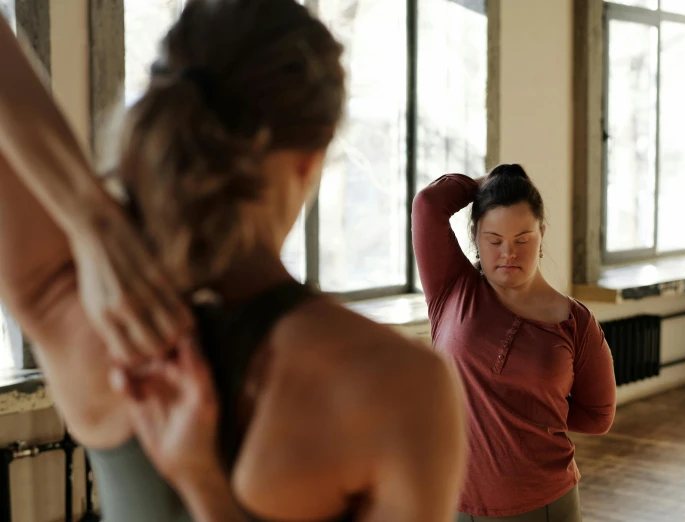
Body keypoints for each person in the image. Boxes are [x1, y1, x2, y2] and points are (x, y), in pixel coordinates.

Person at [0, 1, 466, 521]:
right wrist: (204, 487)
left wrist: (92, 220)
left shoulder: (71, 306)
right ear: (308, 160)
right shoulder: (396, 384)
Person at [412, 164, 616, 522]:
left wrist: (533, 412)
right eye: (494, 240)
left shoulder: (575, 323)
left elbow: (599, 417)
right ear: (475, 236)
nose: (508, 253)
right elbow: (429, 204)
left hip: (540, 504)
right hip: (452, 501)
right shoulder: (452, 289)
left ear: (542, 234)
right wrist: (491, 183)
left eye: (522, 239)